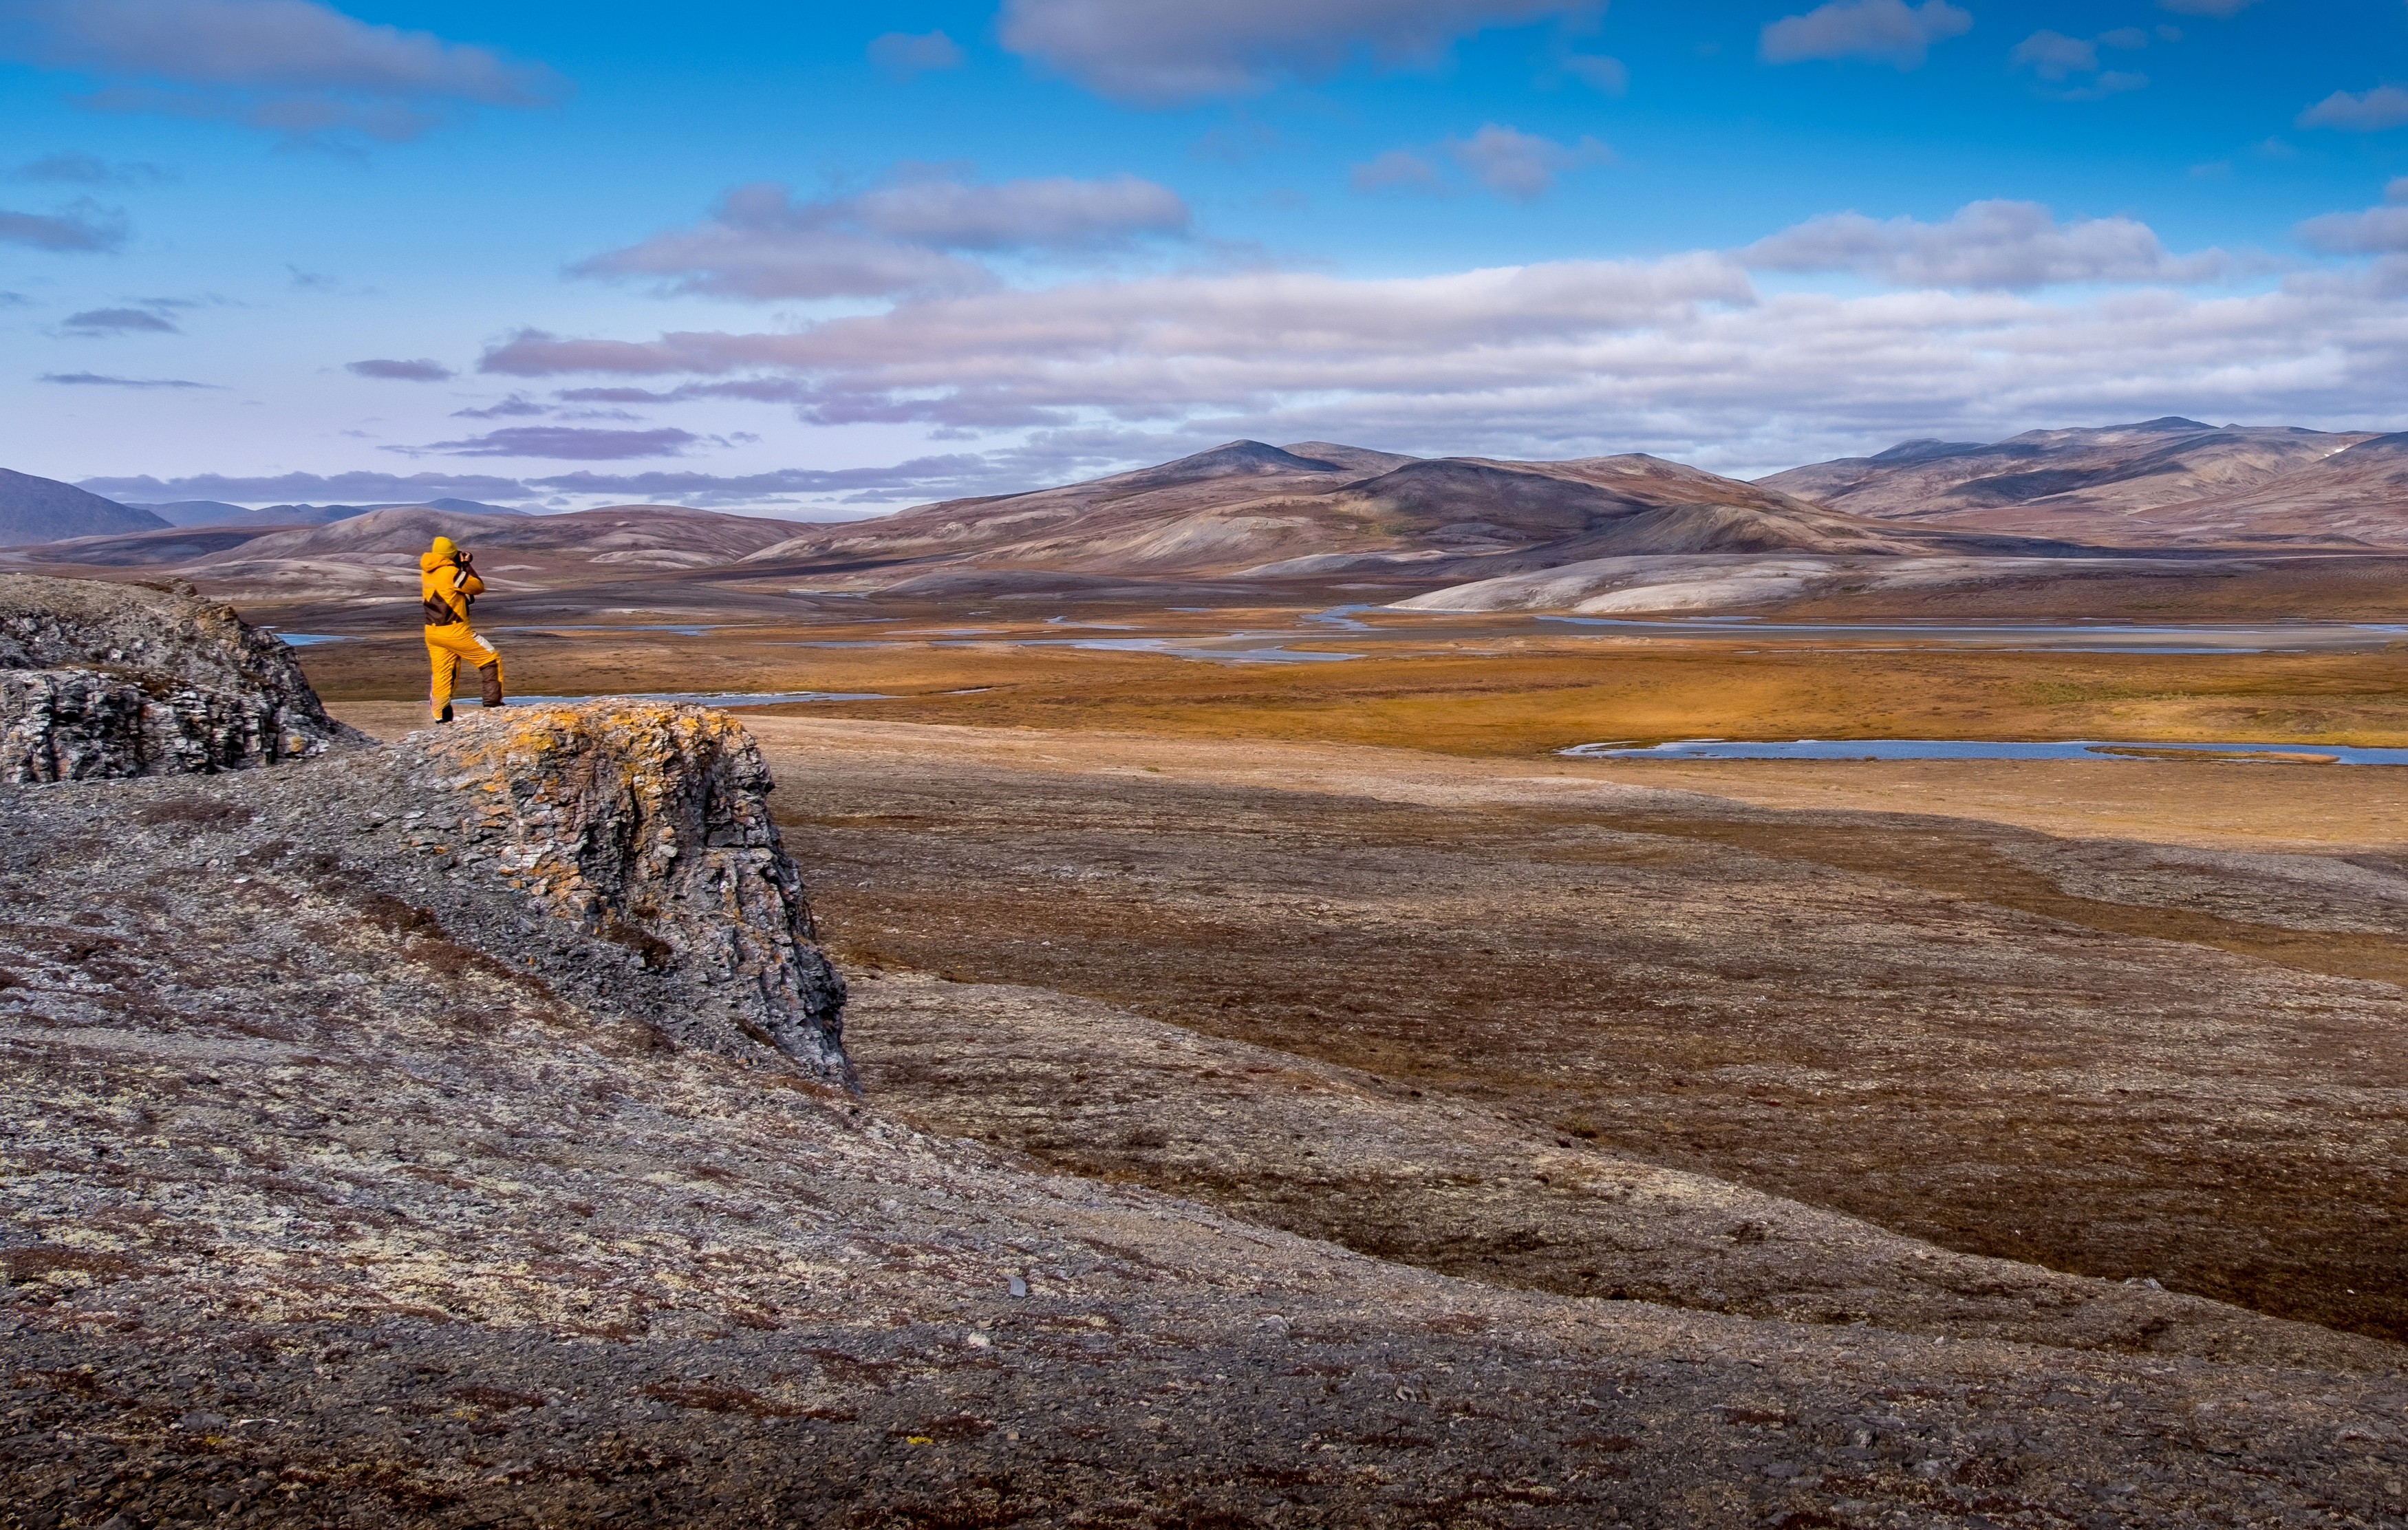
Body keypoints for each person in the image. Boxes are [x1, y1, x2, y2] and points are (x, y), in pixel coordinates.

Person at [419, 535, 504, 722]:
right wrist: (465, 565)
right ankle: (493, 702)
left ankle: (441, 716)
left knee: (443, 673)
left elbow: (451, 595)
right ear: (451, 555)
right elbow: (477, 587)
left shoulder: (427, 572)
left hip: (433, 632)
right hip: (454, 631)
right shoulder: (452, 573)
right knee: (490, 659)